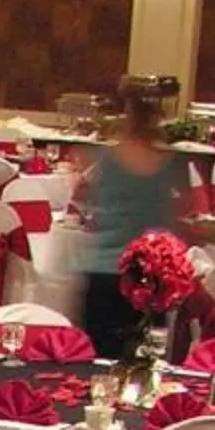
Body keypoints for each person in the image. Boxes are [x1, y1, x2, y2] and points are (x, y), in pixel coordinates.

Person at [72, 78, 192, 356]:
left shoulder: (104, 157)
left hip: (105, 270)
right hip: (151, 277)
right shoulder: (172, 161)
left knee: (100, 358)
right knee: (148, 357)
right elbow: (184, 207)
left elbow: (82, 197)